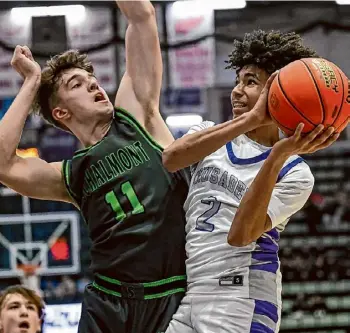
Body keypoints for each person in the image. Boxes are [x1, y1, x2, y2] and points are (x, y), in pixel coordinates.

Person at [0, 1, 189, 333]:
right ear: (61, 113)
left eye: (92, 79)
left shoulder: (136, 116)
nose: (93, 85)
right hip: (107, 301)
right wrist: (31, 82)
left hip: (170, 292)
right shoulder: (69, 175)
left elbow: (142, 17)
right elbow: (4, 163)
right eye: (77, 84)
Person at [163, 30, 342, 333]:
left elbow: (241, 234)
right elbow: (170, 158)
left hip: (242, 296)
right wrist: (248, 120)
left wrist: (276, 155)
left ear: (279, 93)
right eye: (237, 80)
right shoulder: (208, 133)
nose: (236, 90)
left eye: (250, 82)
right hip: (193, 292)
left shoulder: (294, 171)